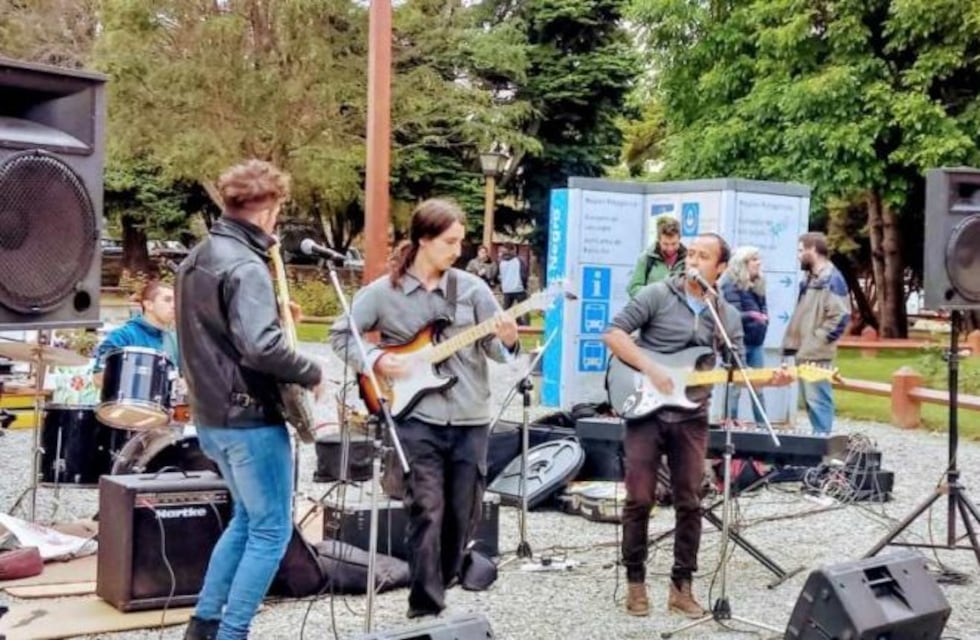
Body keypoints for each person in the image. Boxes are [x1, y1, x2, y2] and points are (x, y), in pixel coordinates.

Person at [329, 198, 519, 618]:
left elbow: (496, 350)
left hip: (470, 416)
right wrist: (378, 361)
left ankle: (445, 577)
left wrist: (507, 339)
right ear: (423, 240)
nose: (459, 250)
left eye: (461, 241)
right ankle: (425, 606)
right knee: (425, 510)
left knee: (462, 517)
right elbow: (342, 335)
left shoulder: (472, 289)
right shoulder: (383, 293)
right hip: (417, 419)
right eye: (450, 241)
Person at [176, 159, 324, 640]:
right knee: (270, 530)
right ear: (269, 210)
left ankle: (204, 623)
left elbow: (215, 334)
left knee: (245, 520)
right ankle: (231, 632)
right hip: (250, 419)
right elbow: (260, 347)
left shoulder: (196, 257)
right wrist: (310, 370)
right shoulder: (245, 264)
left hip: (212, 416)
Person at [603, 233, 744, 619]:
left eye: (703, 256)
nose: (693, 261)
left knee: (690, 500)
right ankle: (635, 582)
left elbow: (739, 369)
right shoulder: (656, 295)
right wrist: (652, 369)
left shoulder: (726, 316)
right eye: (691, 254)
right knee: (640, 498)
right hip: (646, 413)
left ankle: (682, 587)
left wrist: (776, 378)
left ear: (721, 268)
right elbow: (613, 334)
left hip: (692, 417)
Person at [782, 232, 849, 435]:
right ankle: (818, 440)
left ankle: (822, 444)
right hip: (807, 349)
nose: (798, 255)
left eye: (801, 250)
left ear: (813, 250)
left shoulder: (831, 279)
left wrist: (818, 339)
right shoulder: (812, 279)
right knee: (811, 400)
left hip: (816, 352)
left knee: (818, 399)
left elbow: (841, 315)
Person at [719, 246, 769, 425]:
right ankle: (730, 421)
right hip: (738, 342)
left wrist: (764, 317)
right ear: (744, 263)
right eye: (754, 260)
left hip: (756, 341)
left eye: (758, 259)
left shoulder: (758, 282)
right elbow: (732, 314)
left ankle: (763, 425)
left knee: (758, 386)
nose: (758, 263)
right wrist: (752, 316)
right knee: (735, 387)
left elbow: (763, 305)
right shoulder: (730, 283)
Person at [93, 280, 179, 380]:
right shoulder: (122, 336)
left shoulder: (175, 339)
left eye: (175, 301)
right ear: (148, 305)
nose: (174, 306)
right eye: (167, 300)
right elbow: (98, 378)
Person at [626, 216, 687, 297]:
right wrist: (655, 293)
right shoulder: (646, 258)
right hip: (651, 308)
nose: (670, 248)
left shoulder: (688, 260)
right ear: (658, 240)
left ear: (679, 239)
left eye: (674, 243)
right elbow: (633, 289)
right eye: (665, 244)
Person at [498, 243, 529, 325]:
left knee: (507, 310)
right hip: (519, 288)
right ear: (513, 249)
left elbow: (501, 276)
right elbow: (523, 274)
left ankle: (508, 324)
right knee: (525, 308)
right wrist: (525, 285)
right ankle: (526, 326)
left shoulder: (501, 262)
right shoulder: (519, 260)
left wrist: (502, 287)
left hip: (507, 289)